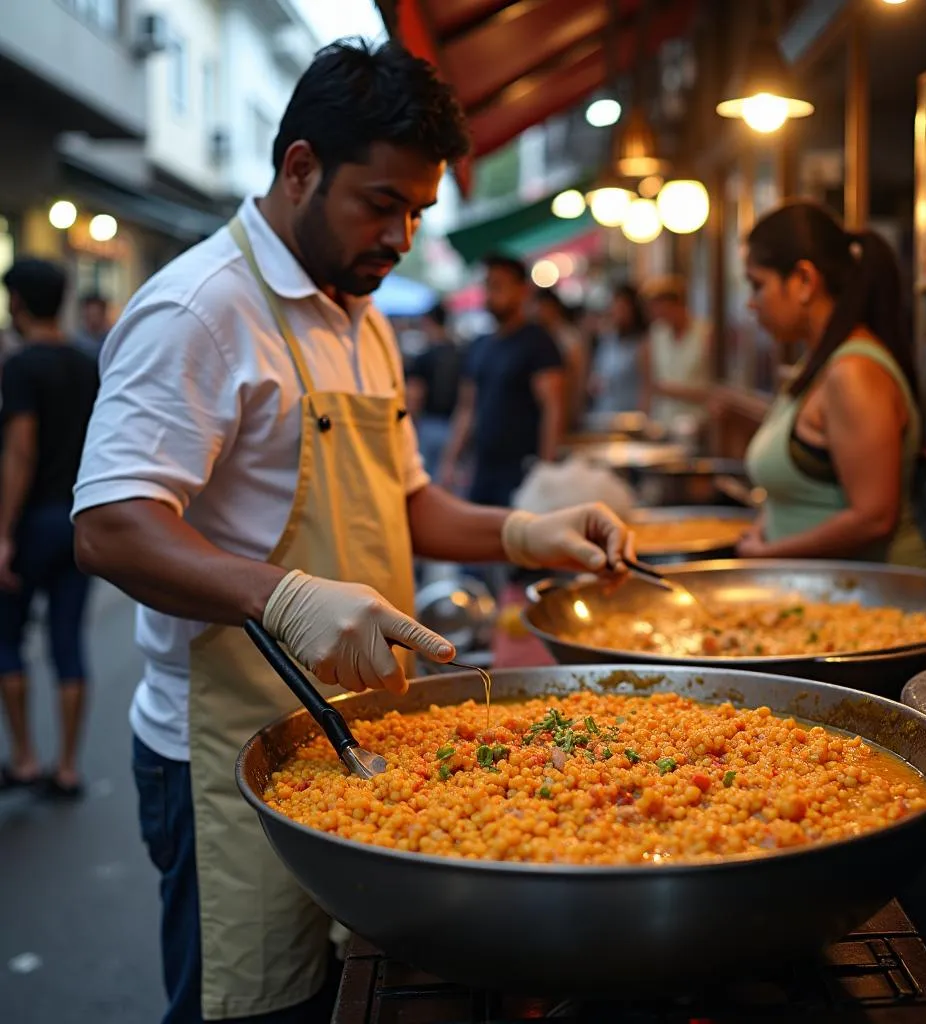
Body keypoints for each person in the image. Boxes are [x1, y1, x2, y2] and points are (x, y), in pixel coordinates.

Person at [72, 40, 631, 1024]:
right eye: (381, 203)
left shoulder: (362, 317)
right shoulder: (201, 311)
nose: (403, 235)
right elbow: (113, 528)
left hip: (366, 738)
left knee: (345, 1000)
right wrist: (276, 592)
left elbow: (406, 499)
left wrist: (525, 531)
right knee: (249, 1006)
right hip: (231, 749)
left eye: (416, 211)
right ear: (299, 169)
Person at [737, 200, 926, 567]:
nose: (751, 304)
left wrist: (769, 553)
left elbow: (874, 518)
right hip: (820, 591)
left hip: (872, 603)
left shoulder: (853, 372)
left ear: (804, 280)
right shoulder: (815, 365)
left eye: (757, 285)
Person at [0, 259, 98, 797]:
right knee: (68, 641)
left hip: (32, 518)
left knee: (7, 638)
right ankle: (67, 767)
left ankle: (25, 758)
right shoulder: (87, 365)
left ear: (17, 302)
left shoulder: (20, 367)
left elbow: (20, 450)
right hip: (77, 521)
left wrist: (4, 532)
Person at [443, 254, 565, 506]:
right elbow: (467, 408)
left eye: (498, 285)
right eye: (487, 285)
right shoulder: (479, 345)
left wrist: (546, 469)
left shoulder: (538, 342)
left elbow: (553, 408)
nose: (490, 293)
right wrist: (450, 460)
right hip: (483, 468)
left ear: (522, 290)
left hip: (523, 469)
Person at [640, 276, 711, 432]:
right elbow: (648, 384)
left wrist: (673, 391)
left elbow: (715, 389)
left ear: (677, 303)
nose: (656, 313)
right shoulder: (656, 334)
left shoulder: (705, 333)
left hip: (697, 425)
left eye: (660, 306)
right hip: (661, 424)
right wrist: (644, 421)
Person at [406, 302, 460, 480]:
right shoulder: (459, 353)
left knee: (423, 479)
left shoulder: (425, 356)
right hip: (455, 425)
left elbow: (415, 395)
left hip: (429, 424)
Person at [588, 284, 647, 415]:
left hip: (631, 414)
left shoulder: (643, 343)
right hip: (604, 412)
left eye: (622, 308)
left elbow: (646, 385)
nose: (617, 312)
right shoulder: (607, 339)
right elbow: (598, 372)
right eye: (614, 307)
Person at [534, 288, 588, 432]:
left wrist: (576, 409)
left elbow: (579, 376)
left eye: (544, 307)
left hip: (565, 404)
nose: (540, 312)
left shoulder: (569, 338)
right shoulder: (536, 336)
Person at [73, 292, 110, 358]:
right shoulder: (76, 342)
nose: (93, 319)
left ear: (103, 314)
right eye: (89, 315)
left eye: (95, 315)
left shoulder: (109, 340)